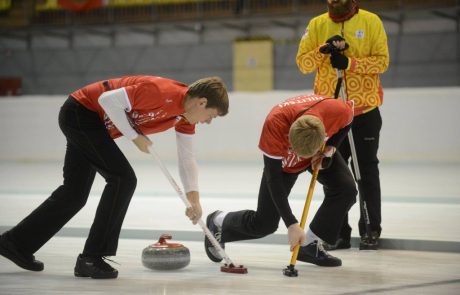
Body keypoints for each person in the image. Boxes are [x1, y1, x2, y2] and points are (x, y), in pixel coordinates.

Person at [0, 75, 229, 279]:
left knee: (74, 193)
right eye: (211, 116)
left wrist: (194, 199)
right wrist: (134, 136)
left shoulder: (183, 118)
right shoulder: (160, 91)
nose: (207, 121)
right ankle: (92, 258)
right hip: (81, 113)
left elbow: (187, 158)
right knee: (123, 179)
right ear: (202, 102)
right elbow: (107, 100)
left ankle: (15, 244)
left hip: (92, 124)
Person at [204, 94, 357, 267]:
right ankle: (219, 221)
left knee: (347, 190)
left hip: (317, 153)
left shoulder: (336, 111)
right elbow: (273, 178)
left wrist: (330, 148)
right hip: (283, 168)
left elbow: (349, 120)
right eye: (296, 151)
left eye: (302, 155)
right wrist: (291, 223)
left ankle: (310, 245)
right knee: (264, 224)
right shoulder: (275, 124)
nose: (300, 158)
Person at [296, 0, 389, 250]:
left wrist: (350, 64)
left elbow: (382, 62)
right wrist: (322, 50)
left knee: (366, 170)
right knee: (335, 172)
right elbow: (303, 64)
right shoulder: (316, 24)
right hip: (331, 113)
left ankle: (371, 228)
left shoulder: (371, 21)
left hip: (364, 110)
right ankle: (339, 233)